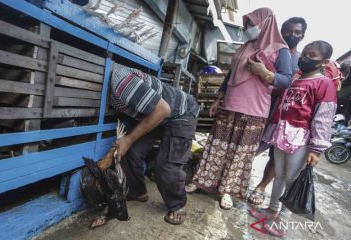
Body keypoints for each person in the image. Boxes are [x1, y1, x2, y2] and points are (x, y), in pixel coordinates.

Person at [185, 8, 292, 210]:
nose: (248, 29)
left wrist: (266, 74)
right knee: (217, 147)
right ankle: (202, 182)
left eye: (251, 25)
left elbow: (286, 80)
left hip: (254, 110)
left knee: (239, 154)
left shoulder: (280, 50)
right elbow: (231, 74)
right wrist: (220, 97)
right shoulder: (246, 46)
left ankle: (226, 190)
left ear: (266, 23)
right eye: (247, 25)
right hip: (230, 104)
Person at [92, 63, 199, 227]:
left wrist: (127, 139)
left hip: (181, 113)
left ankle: (178, 205)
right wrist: (126, 141)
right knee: (133, 151)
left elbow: (163, 110)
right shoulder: (109, 89)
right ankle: (138, 192)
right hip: (158, 116)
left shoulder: (121, 81)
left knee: (167, 165)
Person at [250, 40, 337, 237]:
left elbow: (323, 117)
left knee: (292, 179)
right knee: (279, 174)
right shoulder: (295, 79)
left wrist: (316, 149)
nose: (306, 57)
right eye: (305, 53)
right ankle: (272, 210)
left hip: (302, 139)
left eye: (312, 55)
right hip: (282, 133)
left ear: (324, 62)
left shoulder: (323, 84)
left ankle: (282, 223)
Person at [247, 17, 307, 206]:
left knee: (276, 155)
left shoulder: (301, 60)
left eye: (297, 32)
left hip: (286, 114)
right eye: (289, 31)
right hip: (261, 106)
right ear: (281, 31)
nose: (293, 35)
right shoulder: (271, 51)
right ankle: (233, 180)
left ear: (303, 35)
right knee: (248, 146)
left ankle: (261, 187)